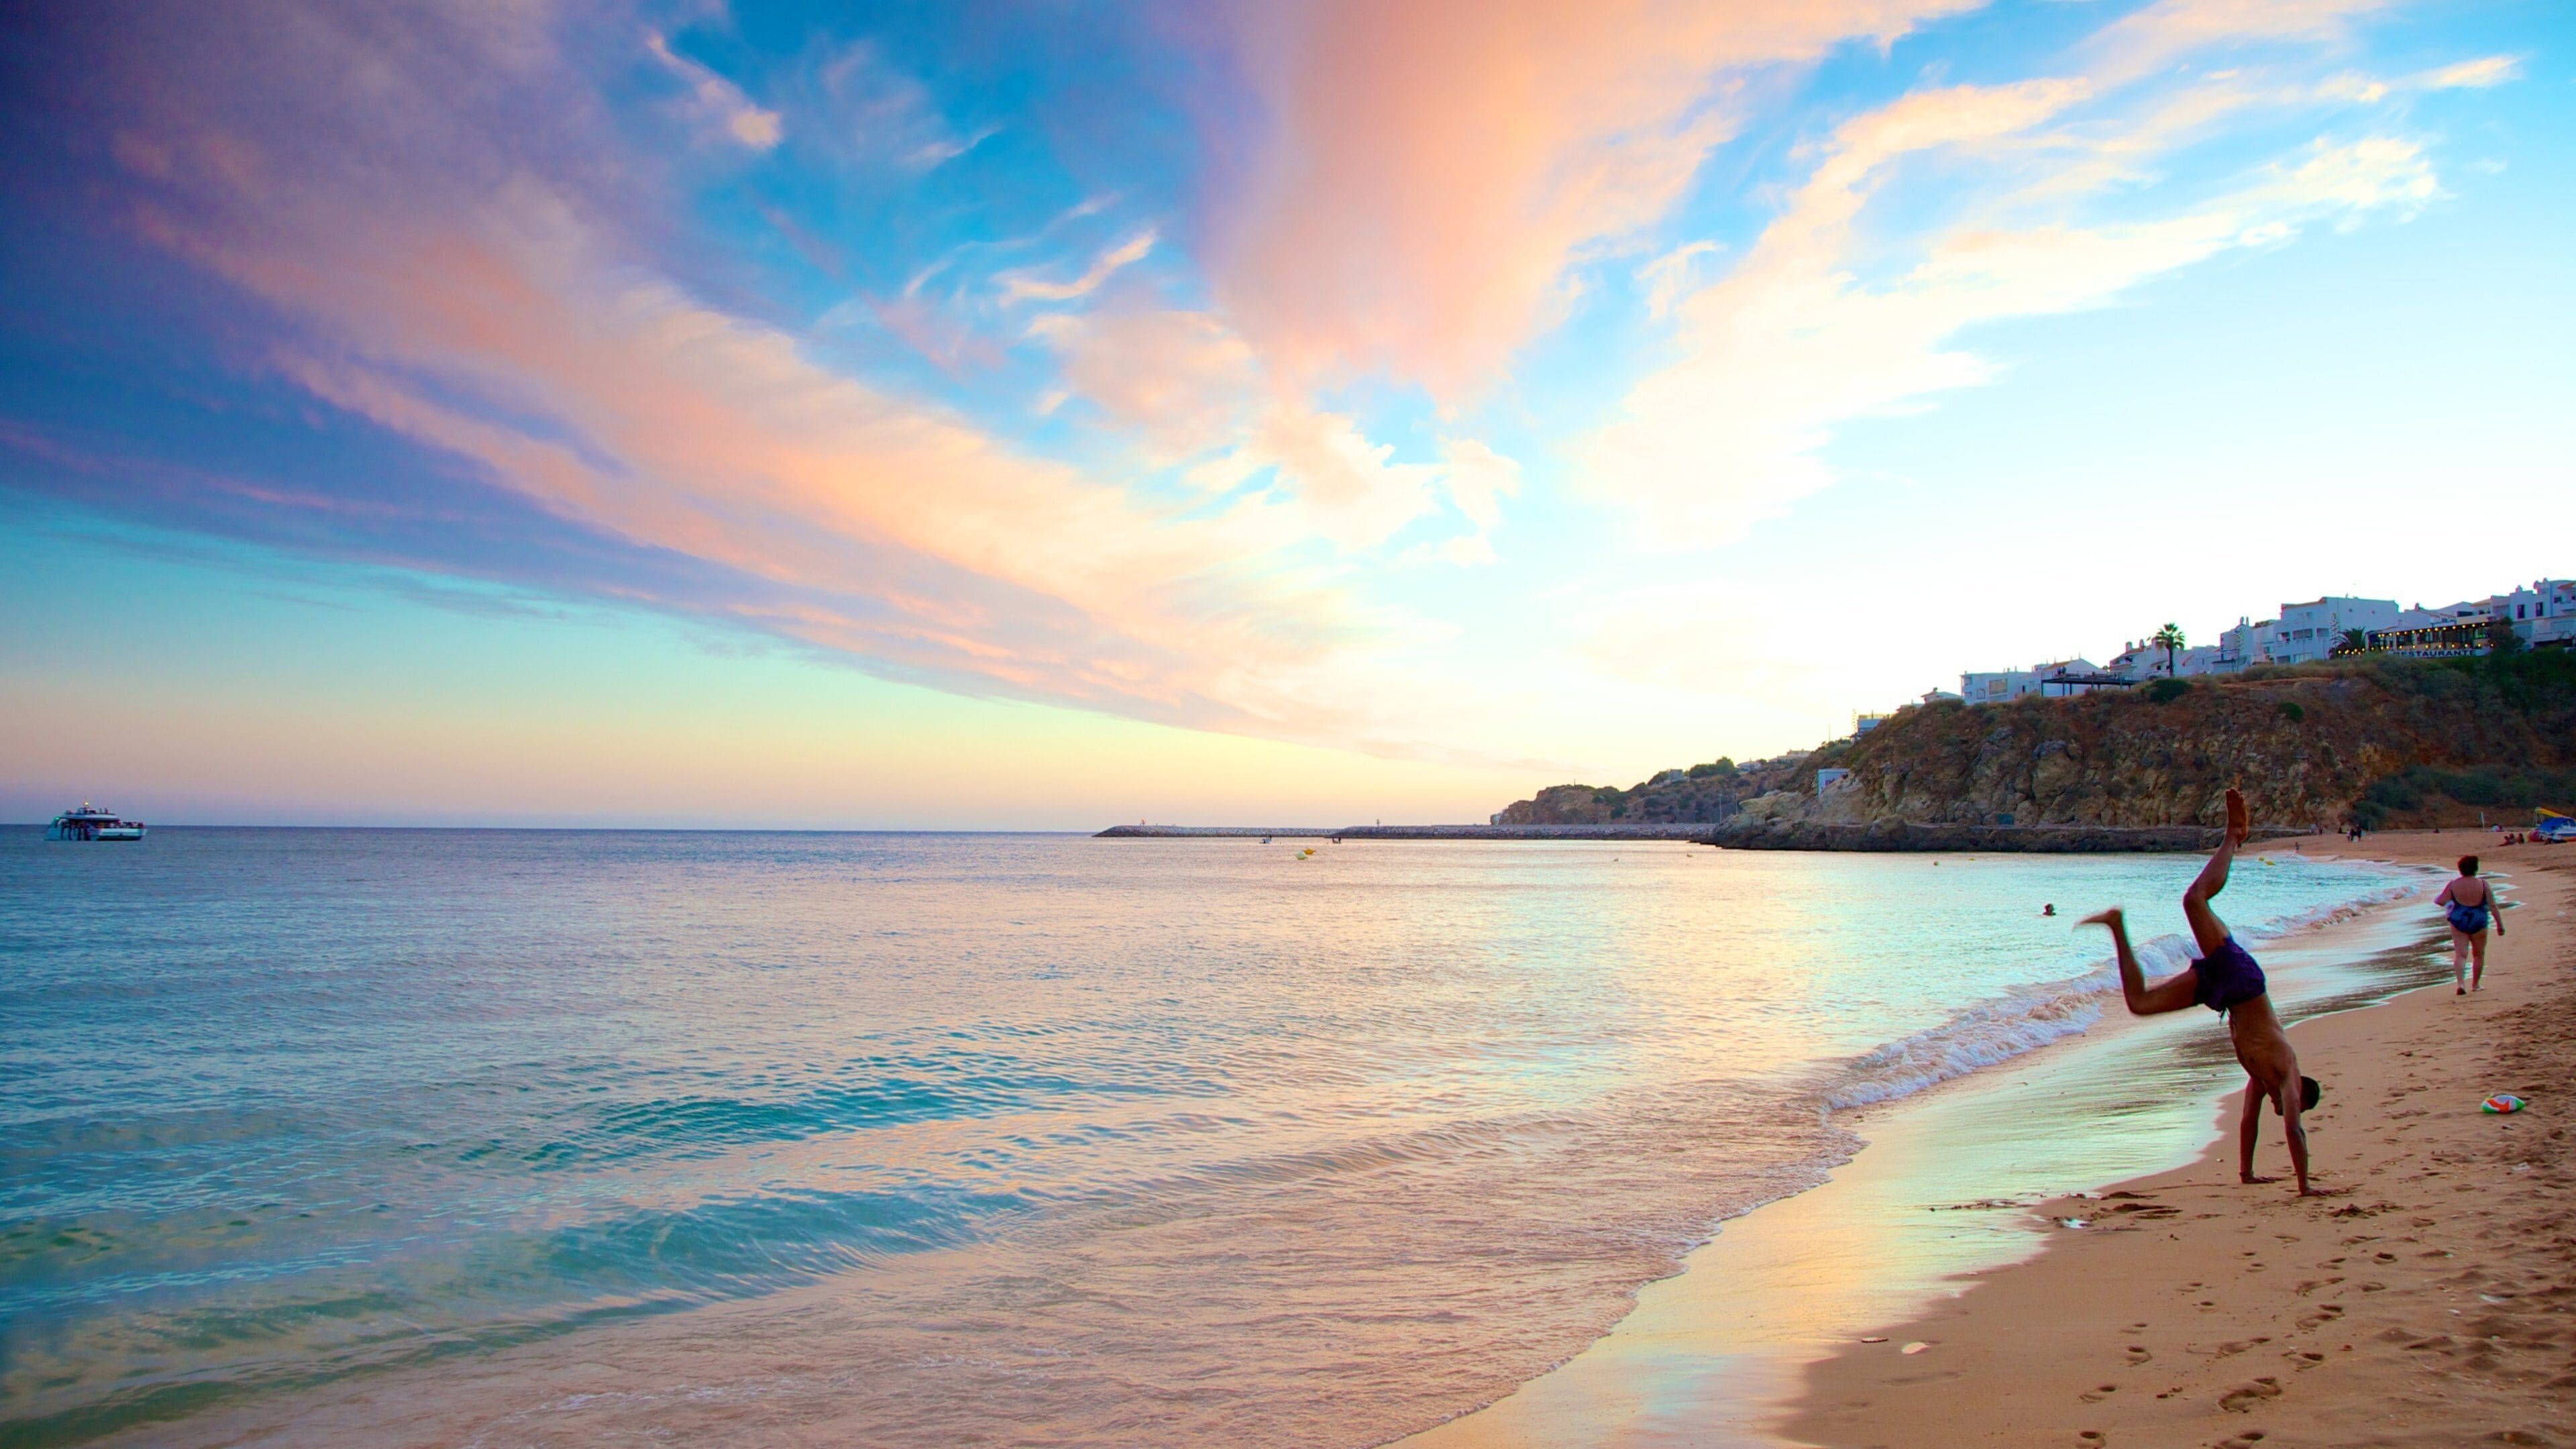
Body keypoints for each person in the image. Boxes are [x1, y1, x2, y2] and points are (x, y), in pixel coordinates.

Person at [2082, 788, 2325, 1195]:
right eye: (2288, 1102)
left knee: (2140, 1004)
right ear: (2299, 1091)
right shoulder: (2286, 1069)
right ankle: (2235, 835)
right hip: (2243, 983)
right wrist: (2305, 1187)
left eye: (2284, 1103)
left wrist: (2247, 1174)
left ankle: (2116, 925)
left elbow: (2250, 1121)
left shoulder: (2262, 1081)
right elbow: (2294, 1131)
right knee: (2194, 901)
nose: (2282, 1106)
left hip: (2223, 994)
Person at [2434, 855, 2503, 994]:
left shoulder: (2453, 884)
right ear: (2475, 868)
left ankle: (2461, 984)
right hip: (2479, 919)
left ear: (2460, 869)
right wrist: (2499, 924)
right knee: (2478, 954)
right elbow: (2492, 905)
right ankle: (2476, 984)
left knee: (2460, 954)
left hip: (2459, 919)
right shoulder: (2483, 884)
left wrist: (2451, 904)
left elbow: (2440, 901)